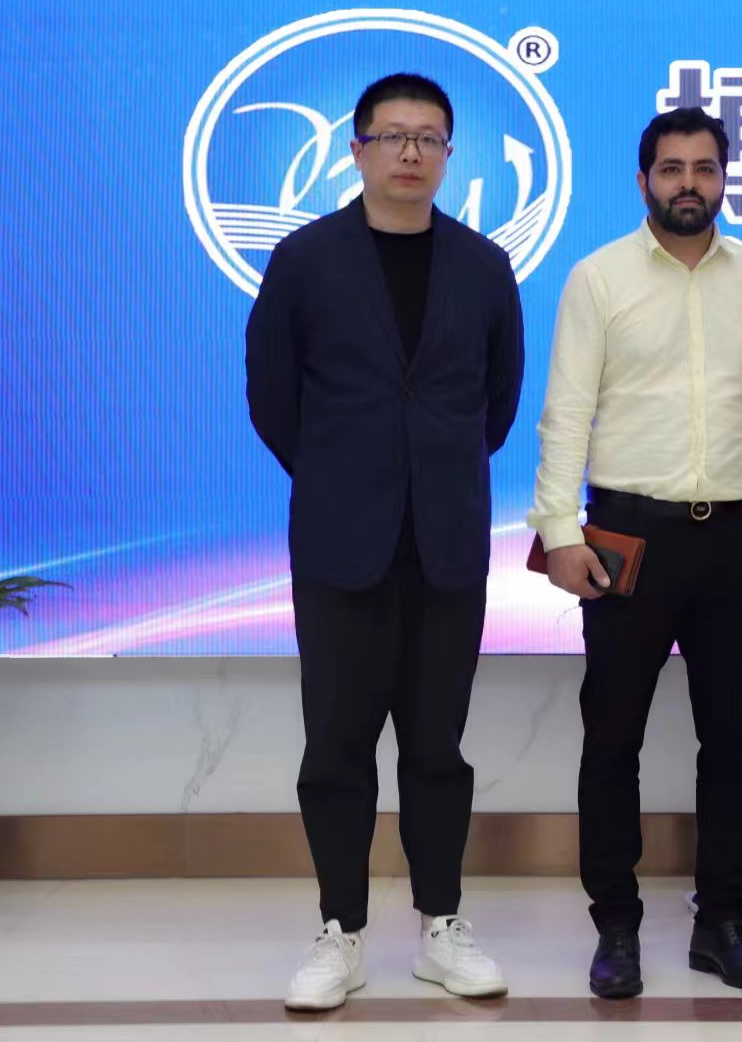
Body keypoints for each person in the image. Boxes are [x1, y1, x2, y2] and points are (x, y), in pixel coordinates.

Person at [245, 73, 525, 1011]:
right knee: (336, 744)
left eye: (429, 138)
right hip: (341, 542)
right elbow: (272, 397)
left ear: (448, 155)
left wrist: (427, 471)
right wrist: (343, 473)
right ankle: (341, 931)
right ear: (357, 148)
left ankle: (443, 926)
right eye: (393, 135)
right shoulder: (305, 260)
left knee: (438, 746)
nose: (411, 152)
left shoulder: (484, 266)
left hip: (446, 541)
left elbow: (496, 405)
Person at [529, 106, 742, 999]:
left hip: (736, 537)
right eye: (672, 168)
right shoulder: (599, 277)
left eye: (705, 168)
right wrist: (559, 533)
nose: (690, 183)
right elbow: (567, 411)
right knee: (613, 738)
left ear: (724, 178)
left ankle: (721, 923)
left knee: (734, 745)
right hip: (626, 536)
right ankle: (616, 927)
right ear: (643, 179)